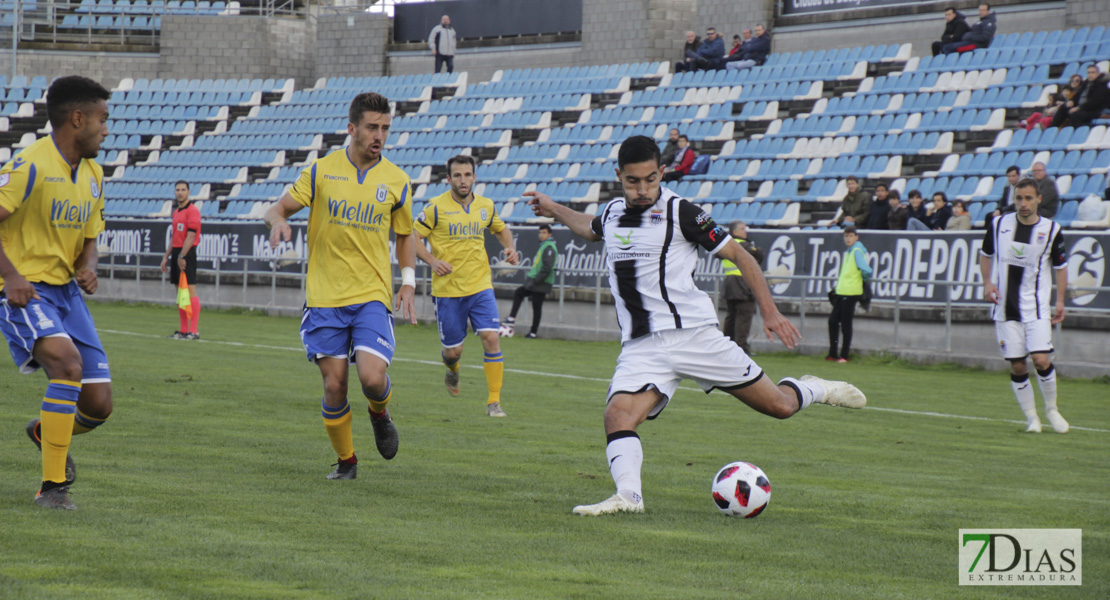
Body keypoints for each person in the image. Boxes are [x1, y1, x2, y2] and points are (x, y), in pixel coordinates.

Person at [524, 135, 866, 516]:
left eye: (650, 180)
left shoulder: (683, 212)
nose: (642, 189)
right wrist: (553, 207)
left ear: (663, 173)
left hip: (694, 336)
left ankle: (814, 388)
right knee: (618, 415)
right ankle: (629, 497)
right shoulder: (612, 213)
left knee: (781, 406)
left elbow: (741, 256)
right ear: (619, 176)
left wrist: (770, 311)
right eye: (633, 181)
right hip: (642, 345)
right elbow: (589, 227)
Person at [264, 92, 417, 479]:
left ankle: (379, 413)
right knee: (335, 385)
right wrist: (278, 221)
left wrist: (409, 282)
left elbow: (404, 235)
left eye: (385, 128)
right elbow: (277, 207)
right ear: (352, 129)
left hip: (371, 294)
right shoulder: (321, 171)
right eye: (371, 127)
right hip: (324, 296)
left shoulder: (397, 181)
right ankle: (347, 462)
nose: (379, 134)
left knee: (371, 377)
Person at [0, 75, 113, 510]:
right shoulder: (29, 165)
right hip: (25, 292)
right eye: (102, 119)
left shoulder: (94, 174)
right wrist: (10, 276)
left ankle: (44, 432)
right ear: (77, 118)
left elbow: (90, 238)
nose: (106, 129)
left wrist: (88, 267)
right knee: (67, 365)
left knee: (99, 404)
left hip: (67, 293)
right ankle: (52, 489)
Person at [413, 155, 520, 418]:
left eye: (468, 175)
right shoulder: (435, 208)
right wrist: (431, 260)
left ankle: (494, 403)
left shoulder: (485, 206)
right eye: (458, 175)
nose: (463, 180)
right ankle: (452, 369)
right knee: (453, 351)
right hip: (448, 291)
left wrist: (510, 247)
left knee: (491, 338)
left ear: (474, 177)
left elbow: (500, 229)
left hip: (480, 285)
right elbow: (413, 238)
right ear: (448, 179)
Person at [979, 178, 1069, 434]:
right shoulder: (998, 224)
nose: (1023, 203)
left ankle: (1052, 409)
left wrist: (1060, 300)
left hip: (1037, 309)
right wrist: (987, 283)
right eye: (1019, 198)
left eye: (1029, 198)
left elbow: (1061, 268)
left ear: (1039, 199)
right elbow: (986, 256)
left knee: (1041, 360)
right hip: (1005, 309)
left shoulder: (1052, 230)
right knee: (1018, 365)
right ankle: (1032, 418)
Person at [160, 180, 201, 340]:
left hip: (187, 253)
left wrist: (182, 256)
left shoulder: (193, 211)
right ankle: (184, 329)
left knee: (190, 291)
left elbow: (191, 236)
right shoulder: (176, 212)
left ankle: (194, 330)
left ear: (189, 192)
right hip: (177, 252)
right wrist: (166, 256)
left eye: (183, 189)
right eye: (177, 189)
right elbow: (174, 237)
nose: (180, 192)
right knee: (180, 294)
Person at [827, 226, 872, 363]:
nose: (848, 238)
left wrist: (863, 281)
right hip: (843, 291)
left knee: (845, 324)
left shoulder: (857, 251)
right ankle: (833, 353)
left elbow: (866, 270)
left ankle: (844, 355)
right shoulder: (850, 251)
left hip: (850, 293)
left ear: (856, 237)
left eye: (851, 236)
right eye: (846, 236)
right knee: (833, 322)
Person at [506, 224, 558, 339]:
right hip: (537, 280)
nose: (541, 235)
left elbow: (547, 268)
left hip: (541, 282)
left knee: (534, 304)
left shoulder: (549, 247)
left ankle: (519, 323)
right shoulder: (544, 246)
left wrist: (536, 280)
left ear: (549, 234)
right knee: (525, 297)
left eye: (544, 233)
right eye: (540, 232)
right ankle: (519, 324)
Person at [720, 220, 764, 354]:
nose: (746, 231)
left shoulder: (725, 245)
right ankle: (741, 348)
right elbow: (759, 255)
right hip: (743, 283)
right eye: (743, 229)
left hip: (729, 283)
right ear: (734, 232)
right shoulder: (744, 246)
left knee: (731, 316)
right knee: (744, 315)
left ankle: (727, 346)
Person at [1050, 64, 1110, 129]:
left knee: (1075, 114)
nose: (1090, 74)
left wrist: (1078, 108)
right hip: (1082, 108)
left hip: (1093, 111)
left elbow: (1094, 102)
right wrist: (1072, 101)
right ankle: (1051, 129)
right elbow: (1078, 94)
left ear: (1098, 73)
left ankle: (1083, 131)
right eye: (1088, 72)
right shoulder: (1087, 82)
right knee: (1063, 108)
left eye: (1093, 72)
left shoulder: (1102, 86)